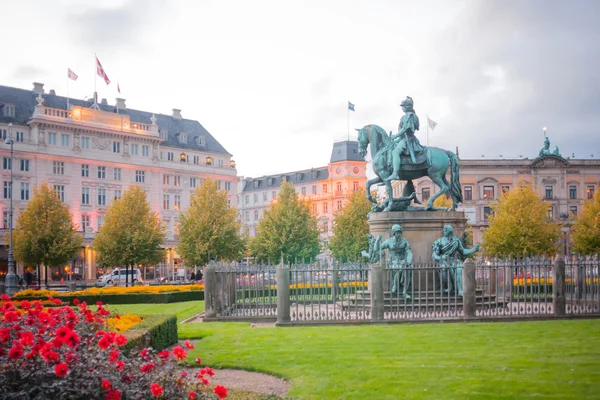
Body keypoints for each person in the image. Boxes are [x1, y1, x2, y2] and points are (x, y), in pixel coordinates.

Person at [432, 225, 480, 296]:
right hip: (443, 261)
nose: (444, 232)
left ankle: (460, 290)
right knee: (443, 268)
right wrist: (441, 258)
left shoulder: (456, 241)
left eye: (446, 230)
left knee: (459, 268)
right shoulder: (440, 241)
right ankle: (448, 287)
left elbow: (463, 251)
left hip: (454, 260)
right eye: (444, 230)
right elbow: (434, 255)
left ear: (450, 232)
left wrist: (474, 249)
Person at [387, 96, 425, 181]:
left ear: (407, 106)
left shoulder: (409, 116)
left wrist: (394, 136)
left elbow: (405, 129)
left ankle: (395, 173)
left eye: (403, 106)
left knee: (395, 153)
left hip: (408, 141)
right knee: (392, 148)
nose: (402, 108)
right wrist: (395, 140)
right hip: (406, 139)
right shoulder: (413, 116)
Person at [380, 224, 413, 298]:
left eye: (399, 232)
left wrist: (408, 261)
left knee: (407, 268)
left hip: (402, 261)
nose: (398, 234)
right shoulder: (389, 241)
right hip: (392, 262)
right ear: (393, 233)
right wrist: (378, 240)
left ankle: (404, 292)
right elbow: (379, 248)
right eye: (396, 232)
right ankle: (395, 285)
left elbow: (409, 252)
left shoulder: (404, 241)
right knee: (401, 268)